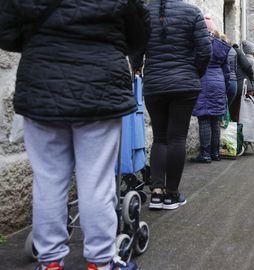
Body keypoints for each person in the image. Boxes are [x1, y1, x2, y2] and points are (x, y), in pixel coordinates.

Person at [0, 1, 150, 270]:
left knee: (47, 179)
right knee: (96, 179)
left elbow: (6, 30)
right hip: (100, 86)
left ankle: (50, 262)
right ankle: (101, 261)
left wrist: (44, 41)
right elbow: (139, 34)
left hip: (42, 84)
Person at [130, 0, 212, 210]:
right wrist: (194, 73)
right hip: (184, 85)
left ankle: (156, 193)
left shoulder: (143, 13)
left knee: (160, 138)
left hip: (155, 85)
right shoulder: (193, 12)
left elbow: (136, 49)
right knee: (177, 139)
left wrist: (138, 66)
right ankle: (172, 194)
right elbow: (205, 51)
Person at [191, 25, 231, 163]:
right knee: (215, 119)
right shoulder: (221, 46)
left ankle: (205, 154)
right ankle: (215, 153)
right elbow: (227, 71)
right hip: (219, 82)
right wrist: (225, 87)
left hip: (204, 81)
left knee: (204, 118)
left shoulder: (199, 44)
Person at [229, 43, 254, 122]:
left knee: (235, 113)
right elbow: (248, 67)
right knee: (245, 113)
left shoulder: (224, 52)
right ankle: (242, 132)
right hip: (244, 87)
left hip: (234, 87)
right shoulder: (237, 51)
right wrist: (250, 79)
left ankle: (237, 131)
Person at [221, 34, 238, 107]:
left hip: (223, 81)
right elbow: (235, 67)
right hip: (234, 81)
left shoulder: (220, 50)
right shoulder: (233, 51)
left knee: (222, 108)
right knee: (227, 107)